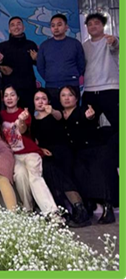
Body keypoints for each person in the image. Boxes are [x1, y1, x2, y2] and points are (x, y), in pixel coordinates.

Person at [32, 90, 91, 227]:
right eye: (37, 99)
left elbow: (59, 116)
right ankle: (62, 210)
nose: (40, 101)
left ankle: (79, 209)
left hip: (62, 151)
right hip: (46, 154)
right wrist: (40, 149)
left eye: (43, 98)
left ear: (49, 101)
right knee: (49, 171)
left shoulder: (55, 113)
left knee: (60, 174)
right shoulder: (33, 120)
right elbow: (34, 140)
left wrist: (52, 111)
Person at [60, 86, 117, 224]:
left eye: (70, 95)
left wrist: (90, 117)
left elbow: (89, 117)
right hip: (76, 153)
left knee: (97, 167)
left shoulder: (83, 111)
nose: (67, 98)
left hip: (93, 149)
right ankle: (86, 206)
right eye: (63, 95)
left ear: (76, 98)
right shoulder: (59, 115)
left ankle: (107, 209)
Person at [0, 85, 59, 216]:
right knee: (20, 175)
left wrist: (21, 121)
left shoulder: (24, 113)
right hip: (14, 155)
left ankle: (52, 212)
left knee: (34, 176)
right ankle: (28, 210)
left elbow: (22, 130)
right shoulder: (1, 115)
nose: (9, 98)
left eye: (12, 95)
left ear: (18, 98)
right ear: (3, 99)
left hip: (30, 152)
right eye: (6, 95)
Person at [36, 14, 85, 110]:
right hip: (52, 87)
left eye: (59, 25)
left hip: (72, 86)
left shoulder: (75, 44)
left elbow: (81, 65)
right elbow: (40, 66)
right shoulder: (44, 46)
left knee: (73, 115)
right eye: (53, 25)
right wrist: (50, 78)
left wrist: (72, 76)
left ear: (66, 27)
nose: (56, 28)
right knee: (54, 115)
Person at [82, 13, 119, 130]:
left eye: (96, 23)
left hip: (110, 89)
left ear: (103, 25)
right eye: (89, 24)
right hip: (89, 91)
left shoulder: (109, 40)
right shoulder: (84, 46)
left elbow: (115, 45)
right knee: (87, 126)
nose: (93, 26)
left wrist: (114, 41)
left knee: (118, 124)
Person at [0, 17, 39, 112]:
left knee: (28, 115)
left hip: (28, 88)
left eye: (18, 24)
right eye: (13, 25)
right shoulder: (2, 46)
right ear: (9, 29)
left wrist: (36, 59)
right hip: (10, 89)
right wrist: (0, 64)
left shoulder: (31, 45)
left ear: (23, 27)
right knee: (9, 116)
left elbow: (39, 64)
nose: (16, 27)